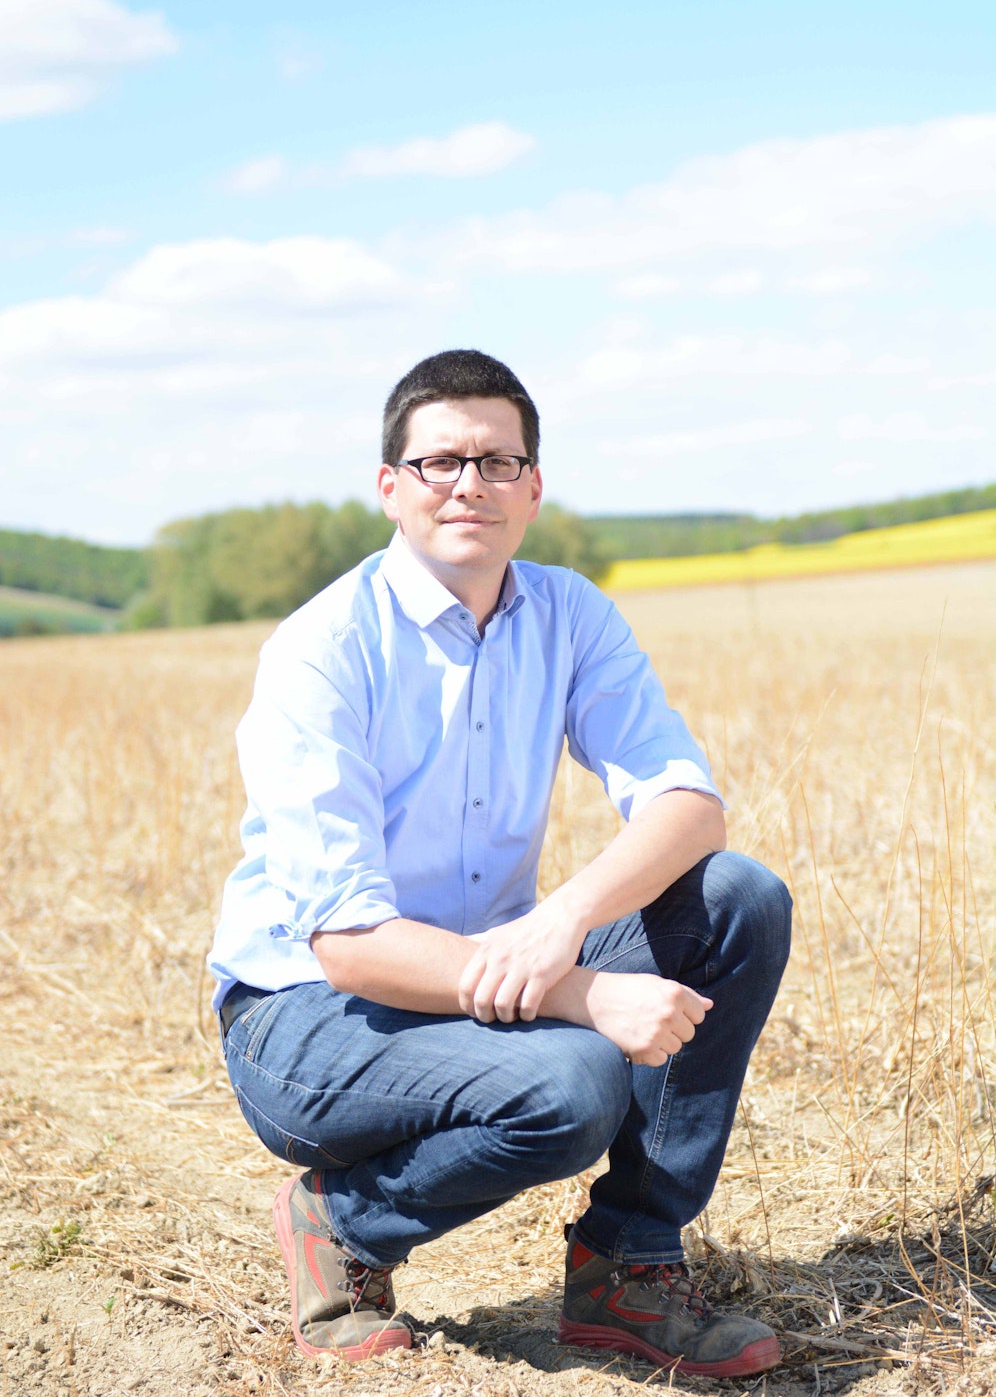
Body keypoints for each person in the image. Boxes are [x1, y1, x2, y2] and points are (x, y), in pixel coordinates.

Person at [208, 348, 792, 1379]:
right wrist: (580, 993)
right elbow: (348, 945)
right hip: (304, 1014)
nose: (469, 484)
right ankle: (341, 1221)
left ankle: (629, 1269)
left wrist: (563, 920)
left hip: (485, 965)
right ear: (391, 489)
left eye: (497, 460)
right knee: (574, 1085)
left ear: (533, 489)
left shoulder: (568, 613)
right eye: (438, 462)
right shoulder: (323, 650)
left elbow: (688, 805)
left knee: (739, 899)